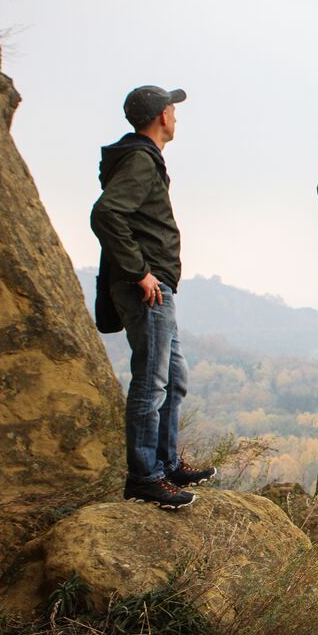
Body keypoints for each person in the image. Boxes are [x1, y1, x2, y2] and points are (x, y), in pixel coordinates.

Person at [91, 85, 215, 510]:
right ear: (162, 116)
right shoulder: (141, 160)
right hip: (147, 287)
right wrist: (139, 272)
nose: (177, 117)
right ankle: (145, 476)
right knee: (152, 381)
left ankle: (164, 463)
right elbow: (106, 213)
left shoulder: (141, 159)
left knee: (173, 378)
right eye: (173, 110)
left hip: (155, 286)